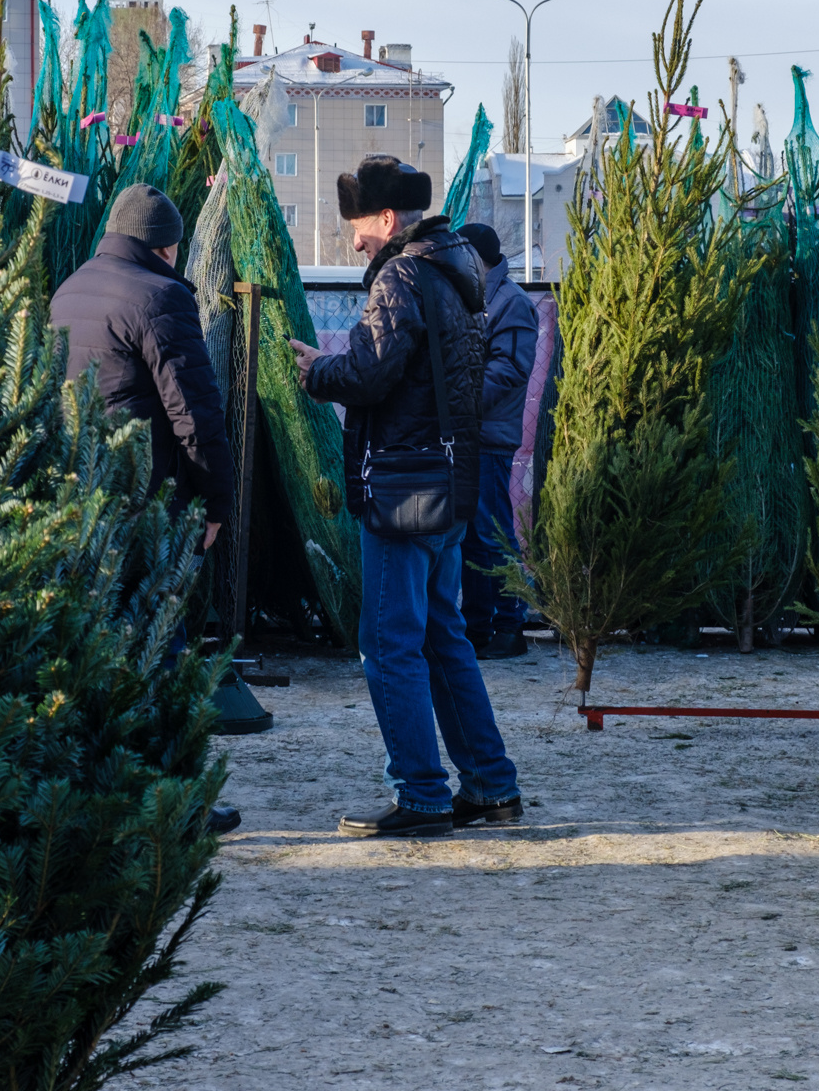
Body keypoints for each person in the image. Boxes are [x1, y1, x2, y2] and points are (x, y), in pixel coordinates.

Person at [289, 155, 522, 838]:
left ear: (387, 219)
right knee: (443, 637)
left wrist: (318, 370)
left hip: (400, 488)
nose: (353, 240)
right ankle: (491, 787)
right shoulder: (457, 270)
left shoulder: (399, 276)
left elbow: (371, 371)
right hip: (446, 482)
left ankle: (421, 795)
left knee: (388, 645)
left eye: (358, 225)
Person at [50, 182, 246, 834]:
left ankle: (100, 791)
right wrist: (217, 502)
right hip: (148, 500)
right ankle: (174, 801)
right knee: (161, 647)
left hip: (83, 498)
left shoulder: (70, 288)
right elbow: (196, 413)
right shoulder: (162, 297)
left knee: (101, 643)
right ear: (167, 248)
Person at [453, 222, 537, 661]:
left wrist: (456, 399)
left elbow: (510, 371)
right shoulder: (486, 297)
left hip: (487, 435)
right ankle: (481, 626)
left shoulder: (511, 303)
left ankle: (510, 624)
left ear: (476, 259)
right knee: (473, 533)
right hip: (473, 433)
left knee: (491, 532)